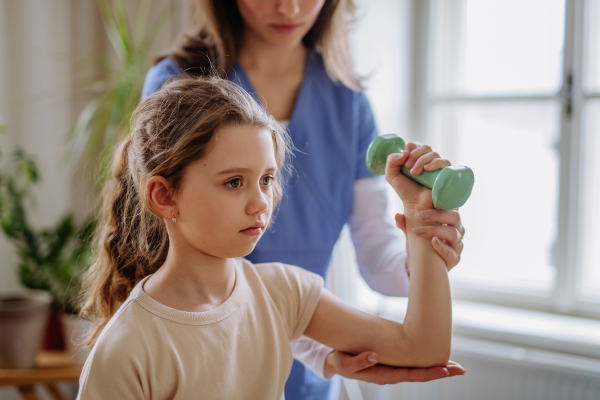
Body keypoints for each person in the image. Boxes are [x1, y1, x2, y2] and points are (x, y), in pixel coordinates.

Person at [142, 1, 466, 398]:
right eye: (233, 182)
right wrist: (309, 343)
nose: (289, 8)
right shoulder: (177, 85)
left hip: (308, 365)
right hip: (204, 358)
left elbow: (381, 266)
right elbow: (161, 259)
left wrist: (425, 239)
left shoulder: (347, 102)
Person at [77, 76, 454, 400]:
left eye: (267, 179)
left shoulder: (282, 292)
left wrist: (422, 217)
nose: (261, 202)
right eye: (234, 182)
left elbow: (423, 349)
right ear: (164, 196)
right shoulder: (127, 349)